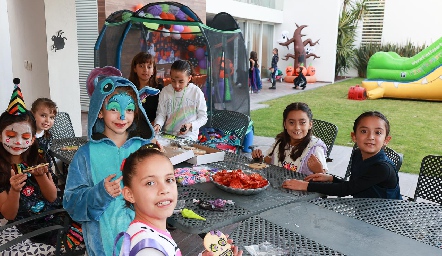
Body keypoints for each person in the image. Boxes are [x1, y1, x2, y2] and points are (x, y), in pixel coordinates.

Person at [63, 66, 155, 256]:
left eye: (129, 110)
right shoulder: (85, 155)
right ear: (100, 111)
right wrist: (100, 193)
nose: (122, 116)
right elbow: (71, 203)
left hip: (142, 245)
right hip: (103, 248)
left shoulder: (143, 150)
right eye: (114, 108)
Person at [120, 146, 242, 256]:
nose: (164, 189)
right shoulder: (148, 249)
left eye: (169, 180)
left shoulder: (147, 232)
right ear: (129, 194)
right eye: (150, 183)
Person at [282, 111, 402, 199]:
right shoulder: (357, 155)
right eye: (364, 131)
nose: (370, 137)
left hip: (386, 219)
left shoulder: (382, 168)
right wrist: (331, 178)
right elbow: (355, 185)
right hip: (364, 211)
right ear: (354, 136)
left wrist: (306, 186)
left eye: (378, 132)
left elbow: (346, 190)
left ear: (386, 140)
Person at [0, 80, 60, 248]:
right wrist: (14, 190)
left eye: (25, 137)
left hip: (53, 217)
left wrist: (41, 177)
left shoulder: (37, 157)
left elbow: (52, 197)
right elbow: (8, 214)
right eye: (11, 135)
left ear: (33, 139)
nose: (18, 142)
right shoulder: (2, 168)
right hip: (24, 226)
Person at [251, 102, 328, 175]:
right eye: (291, 122)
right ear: (285, 124)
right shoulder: (280, 142)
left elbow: (325, 181)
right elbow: (267, 162)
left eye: (302, 122)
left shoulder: (315, 149)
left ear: (310, 124)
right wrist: (259, 159)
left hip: (300, 188)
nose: (297, 127)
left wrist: (319, 170)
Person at [154, 60, 208, 141]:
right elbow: (161, 114)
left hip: (188, 136)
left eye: (181, 81)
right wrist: (158, 124)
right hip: (167, 135)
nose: (176, 85)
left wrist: (190, 125)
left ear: (189, 78)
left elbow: (203, 118)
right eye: (173, 80)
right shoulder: (165, 91)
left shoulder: (196, 92)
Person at [129, 52, 164, 123]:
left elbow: (163, 112)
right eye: (141, 66)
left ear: (153, 70)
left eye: (149, 67)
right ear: (135, 68)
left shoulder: (159, 89)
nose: (145, 70)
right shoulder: (128, 88)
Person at [31, 98, 57, 171]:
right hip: (31, 173)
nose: (47, 120)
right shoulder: (27, 137)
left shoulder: (48, 136)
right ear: (32, 114)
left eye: (51, 117)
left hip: (46, 170)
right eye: (43, 115)